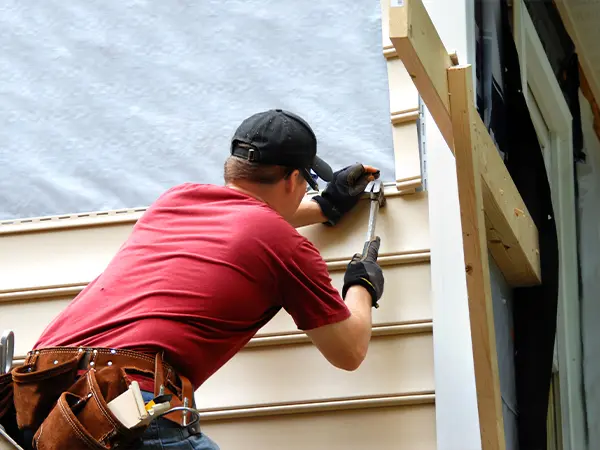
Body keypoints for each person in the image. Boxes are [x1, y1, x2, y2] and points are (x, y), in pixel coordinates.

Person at [10, 109, 385, 450]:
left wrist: (325, 207)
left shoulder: (175, 201)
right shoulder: (283, 244)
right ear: (291, 180)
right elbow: (348, 351)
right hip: (122, 403)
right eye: (307, 182)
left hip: (44, 397)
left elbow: (242, 225)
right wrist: (361, 285)